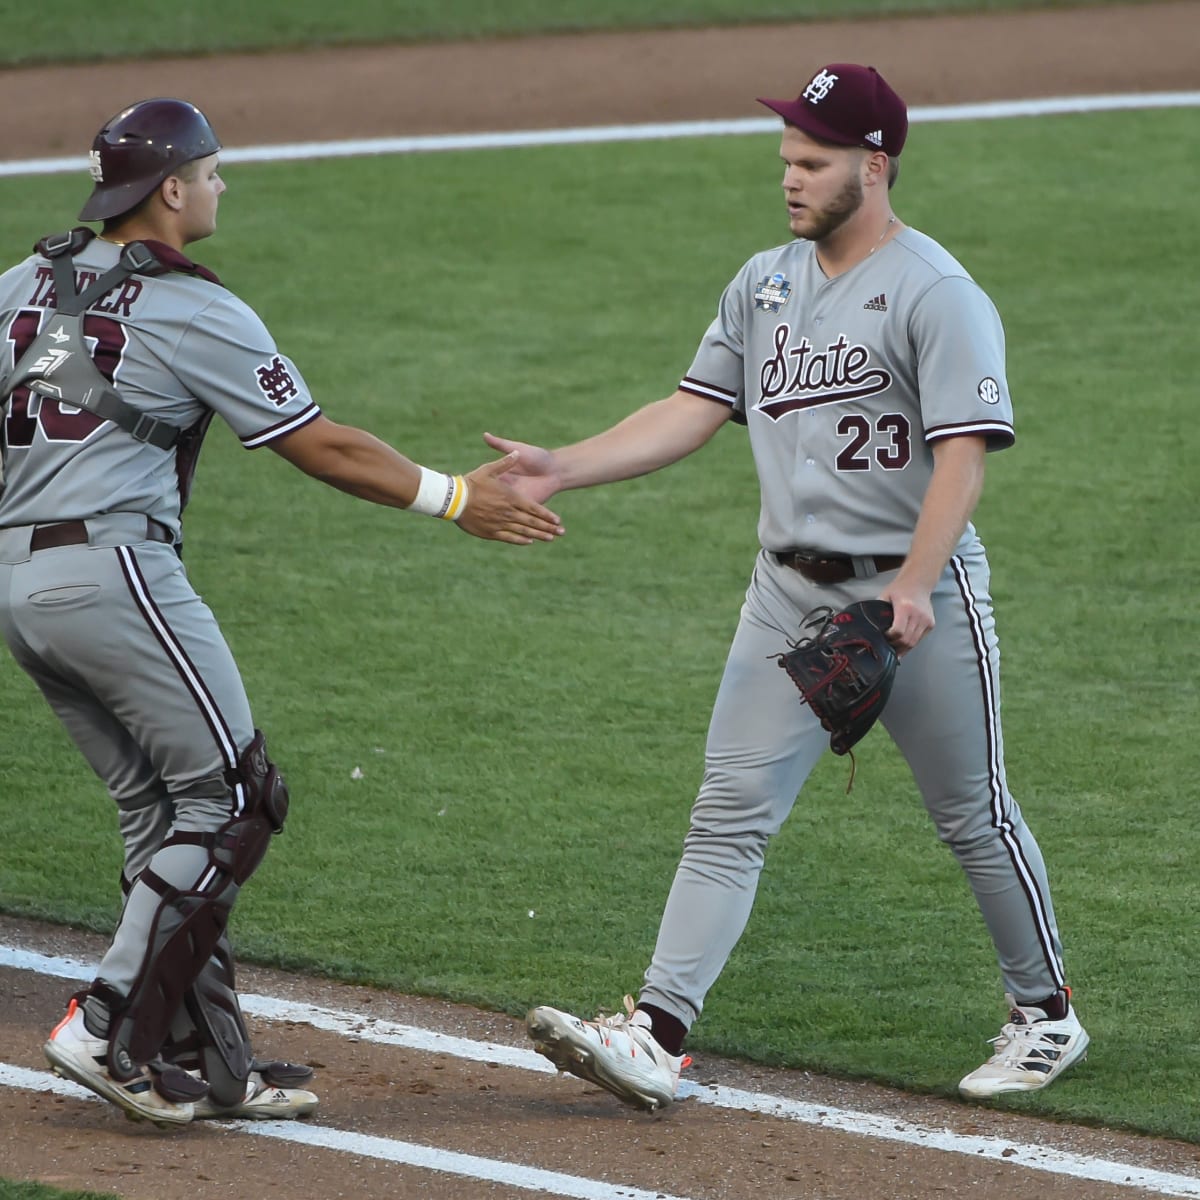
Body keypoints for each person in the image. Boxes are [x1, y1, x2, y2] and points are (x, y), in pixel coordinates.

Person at [493, 63, 1088, 1110]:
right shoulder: (764, 282)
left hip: (919, 603)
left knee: (972, 813)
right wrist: (563, 463)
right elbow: (692, 407)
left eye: (811, 162)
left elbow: (963, 456)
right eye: (786, 160)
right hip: (787, 595)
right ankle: (657, 1033)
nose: (790, 178)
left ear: (875, 164)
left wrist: (914, 585)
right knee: (728, 811)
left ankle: (1046, 1015)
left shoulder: (938, 293)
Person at [0, 97, 563, 1127]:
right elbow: (320, 443)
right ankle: (106, 1024)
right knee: (236, 799)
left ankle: (208, 1068)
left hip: (21, 593)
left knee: (167, 814)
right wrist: (454, 497)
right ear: (169, 190)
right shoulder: (198, 309)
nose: (220, 186)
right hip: (116, 576)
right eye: (210, 173)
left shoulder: (20, 288)